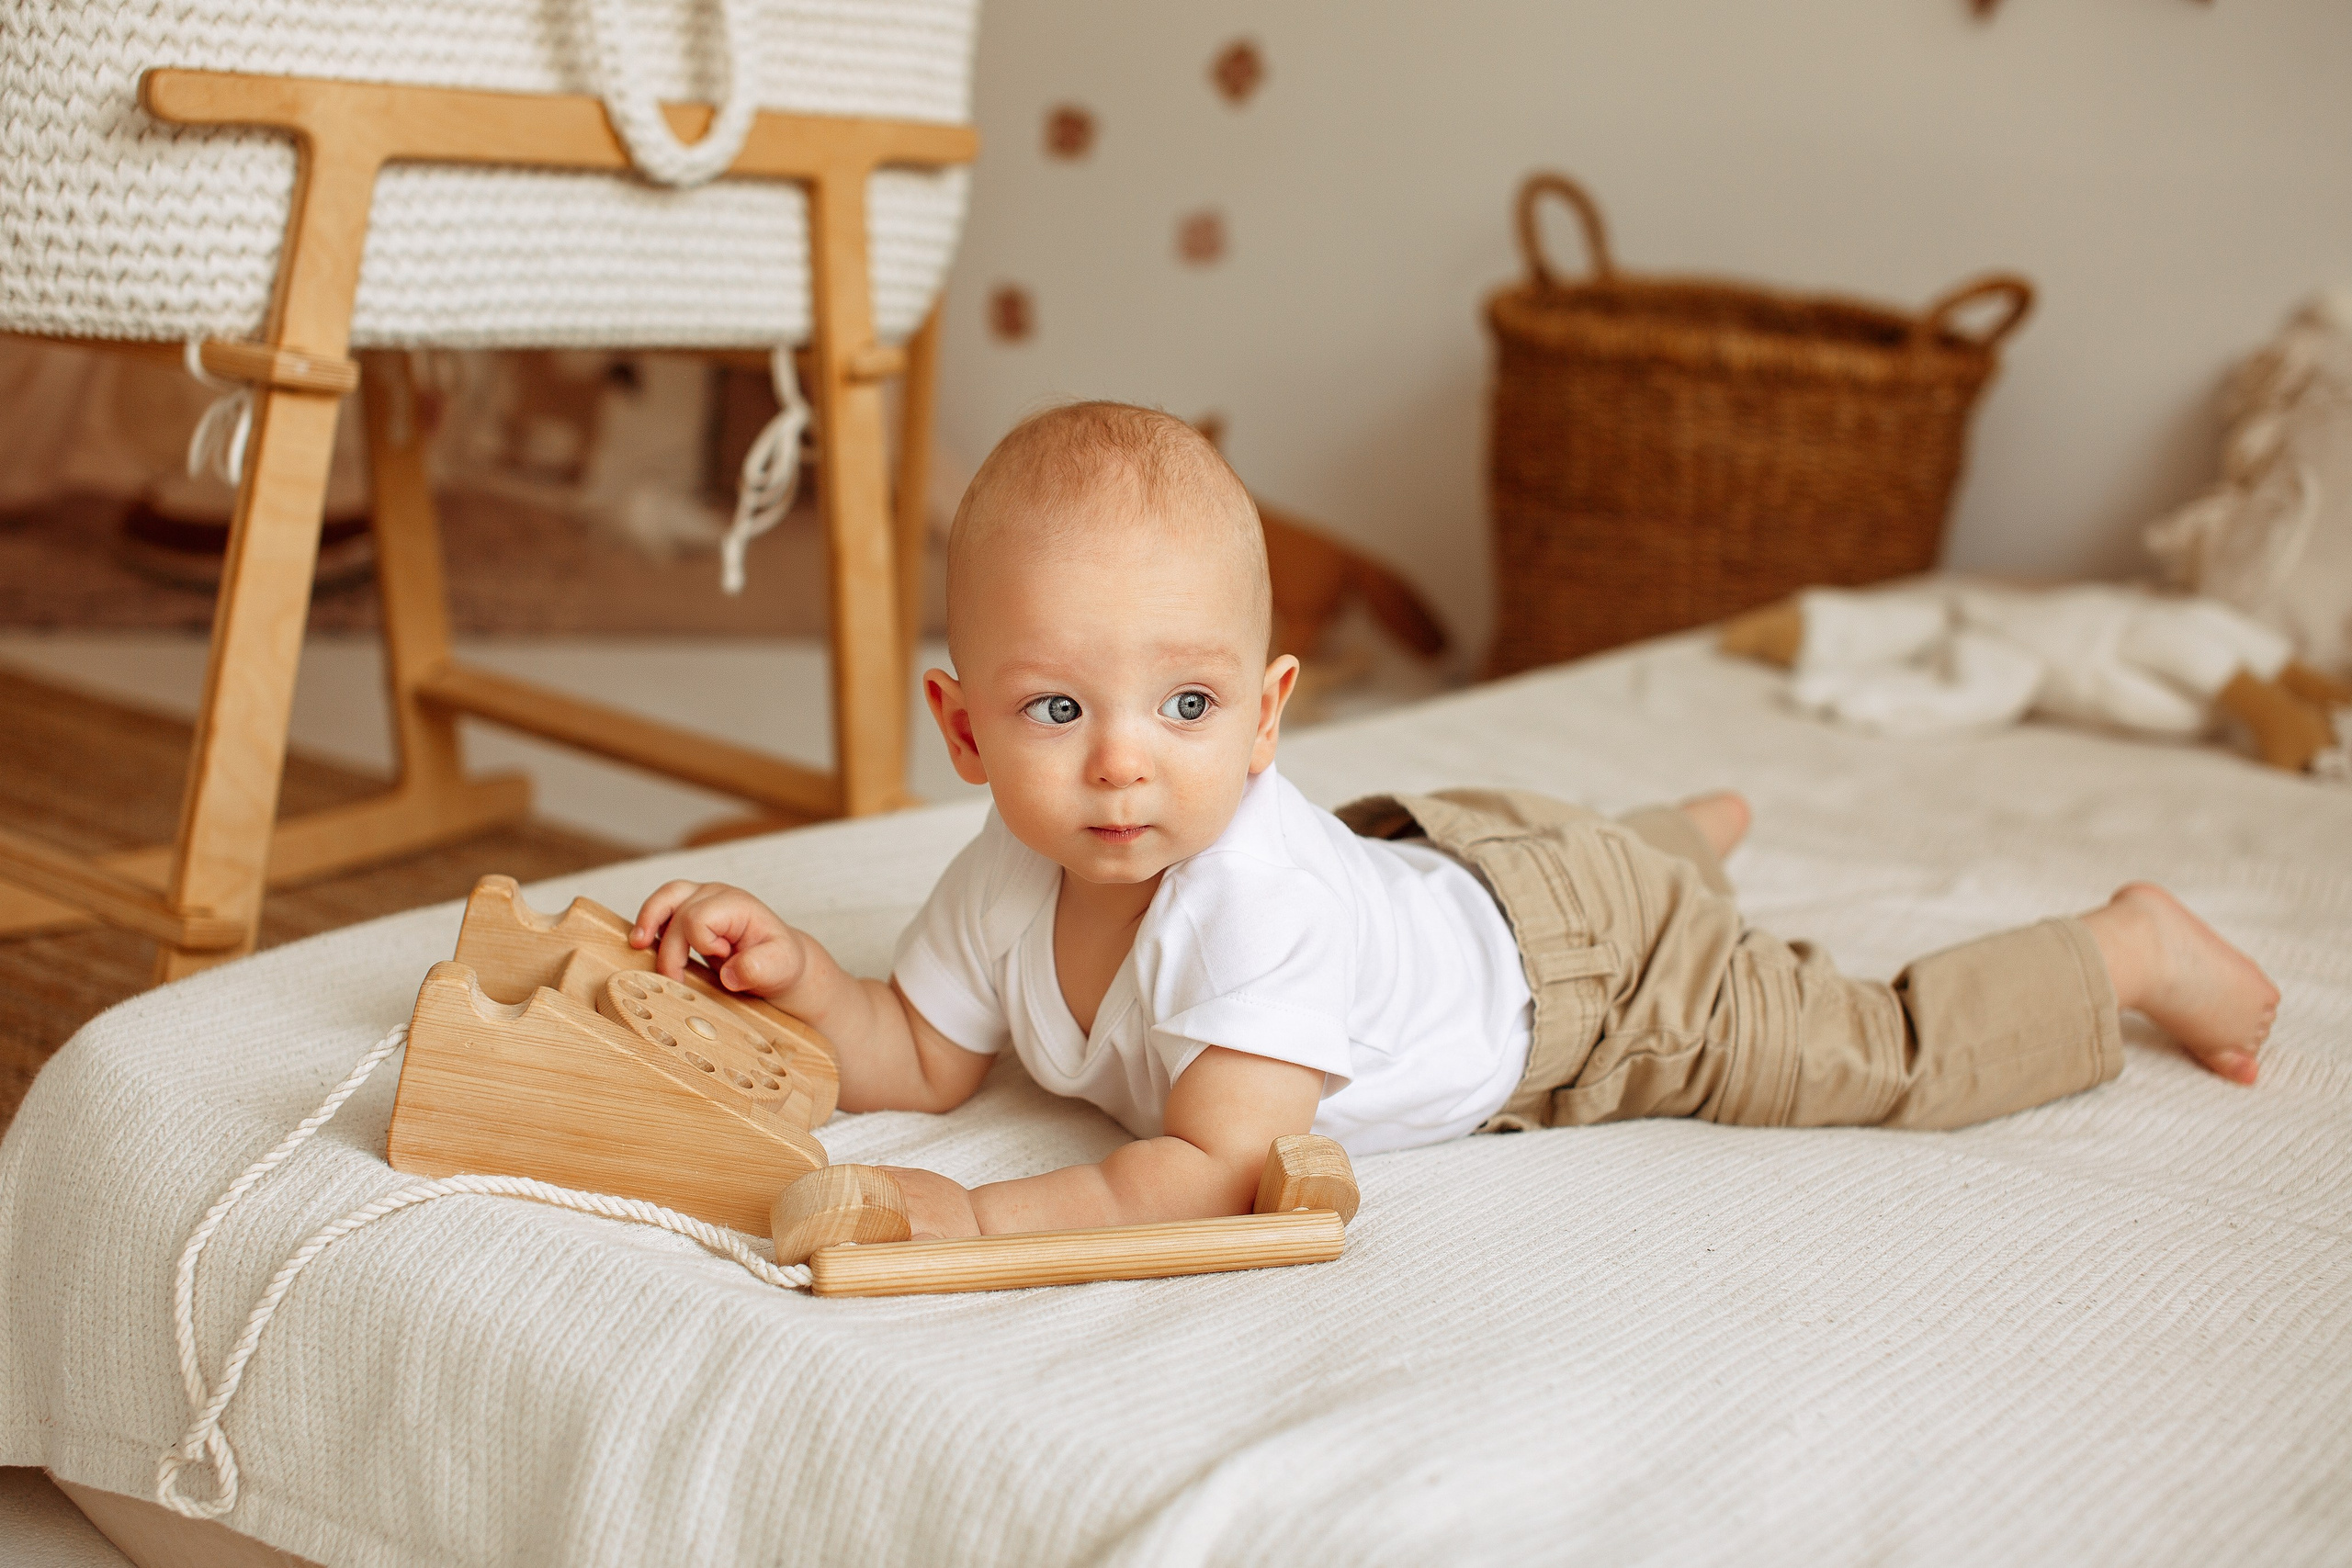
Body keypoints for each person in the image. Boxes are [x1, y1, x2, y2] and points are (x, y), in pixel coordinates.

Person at [630, 402, 2280, 1241]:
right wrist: (792, 979)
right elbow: (917, 1059)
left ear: (1273, 714)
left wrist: (974, 1219)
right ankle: (1672, 835)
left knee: (1860, 1051)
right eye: (1061, 712)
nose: (1125, 767)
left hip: (1577, 991)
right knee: (1598, 858)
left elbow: (1203, 1171)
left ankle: (2125, 951)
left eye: (1189, 708)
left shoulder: (1251, 899)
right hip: (1459, 861)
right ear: (967, 731)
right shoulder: (1005, 876)